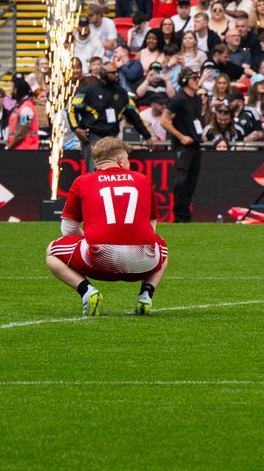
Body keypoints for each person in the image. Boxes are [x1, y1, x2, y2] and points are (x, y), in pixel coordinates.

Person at [46, 136, 169, 317]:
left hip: (99, 259)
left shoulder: (82, 181)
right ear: (120, 160)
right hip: (142, 263)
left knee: (51, 251)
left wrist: (90, 240)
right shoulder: (143, 180)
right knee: (162, 247)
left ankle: (87, 291)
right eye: (127, 159)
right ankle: (145, 295)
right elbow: (151, 229)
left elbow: (68, 231)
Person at [161, 69, 203, 222]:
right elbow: (164, 121)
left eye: (197, 78)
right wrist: (181, 136)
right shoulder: (179, 99)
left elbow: (194, 120)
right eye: (194, 78)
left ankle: (185, 215)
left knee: (191, 181)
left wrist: (199, 134)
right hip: (183, 146)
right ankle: (179, 215)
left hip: (195, 144)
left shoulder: (197, 99)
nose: (197, 81)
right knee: (181, 181)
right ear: (185, 80)